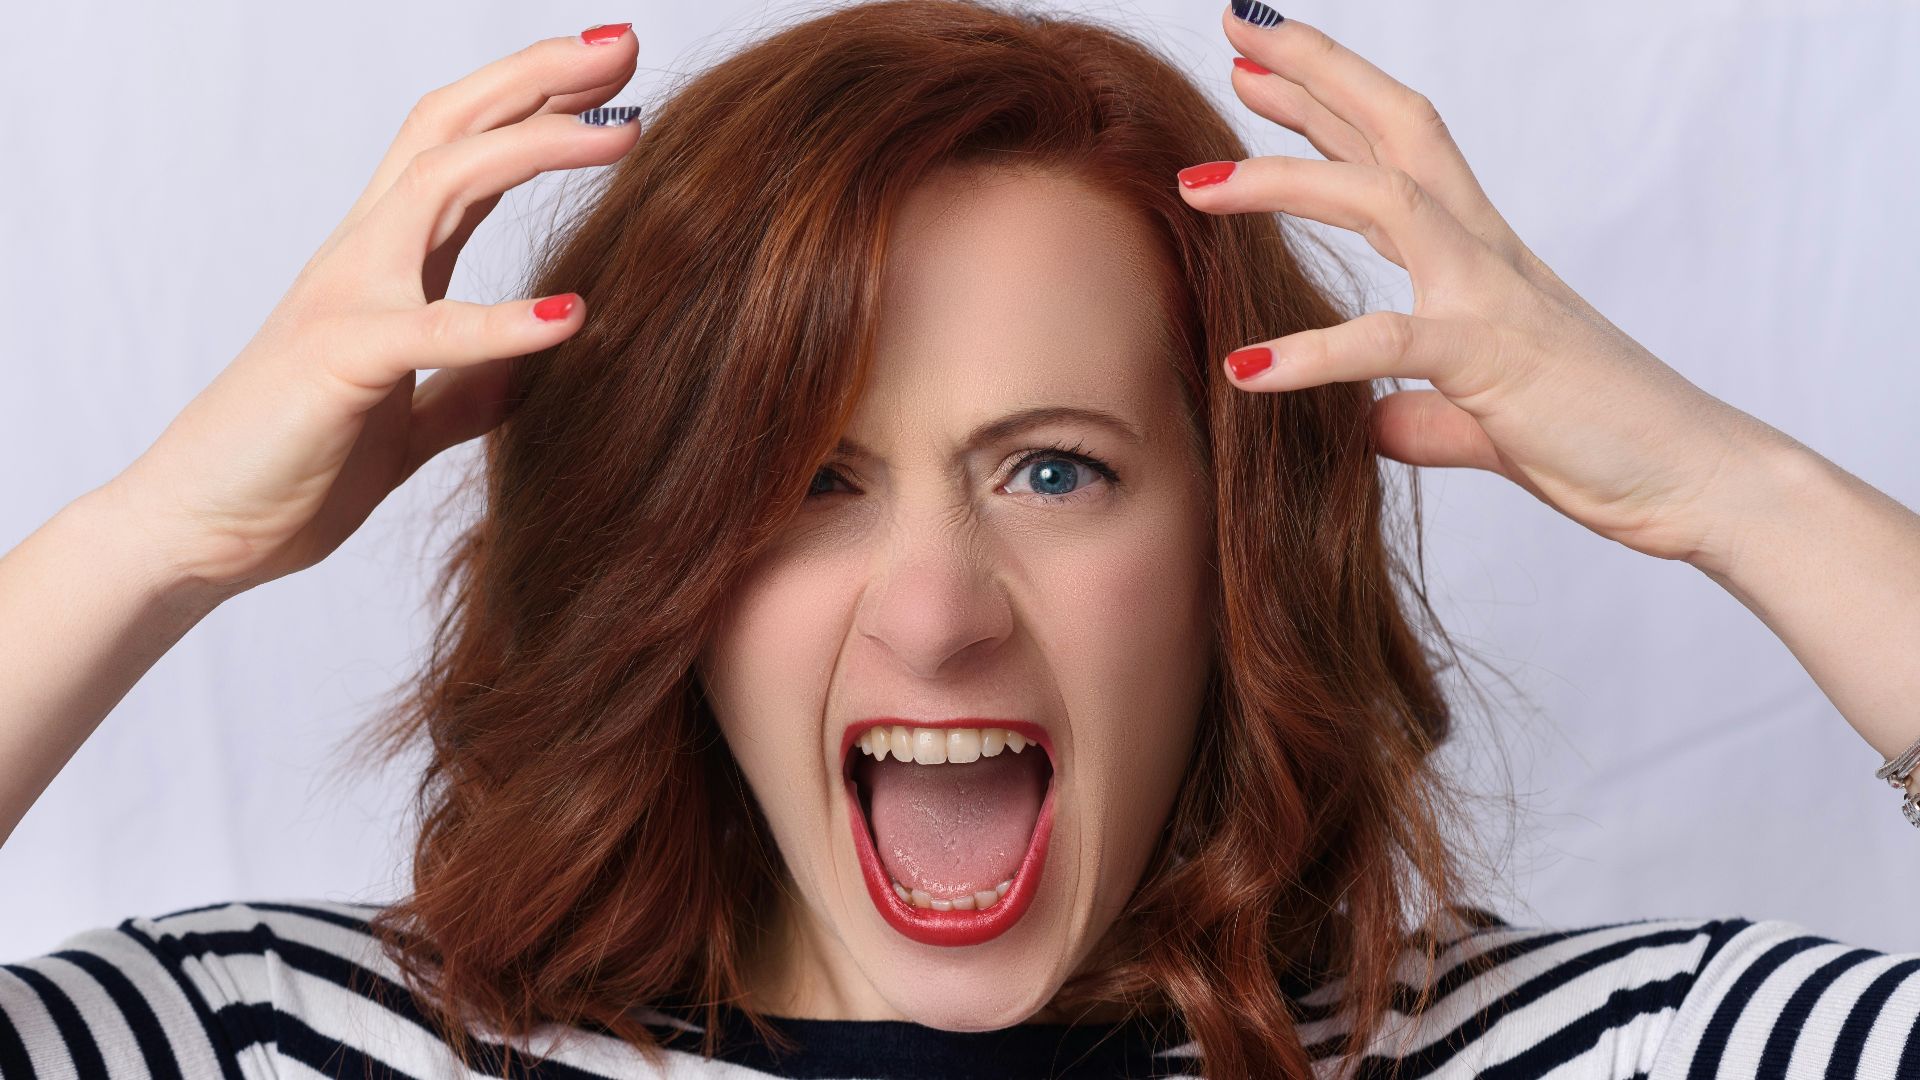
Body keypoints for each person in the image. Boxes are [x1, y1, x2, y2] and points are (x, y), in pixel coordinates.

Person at [2, 1, 1916, 1077]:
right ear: (662, 559)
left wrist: (1735, 494)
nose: (934, 615)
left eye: (1055, 470)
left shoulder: (1623, 1051)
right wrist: (154, 540)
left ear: (1235, 543)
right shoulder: (268, 1038)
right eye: (804, 481)